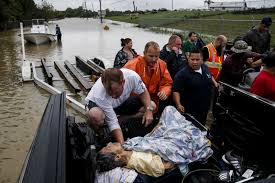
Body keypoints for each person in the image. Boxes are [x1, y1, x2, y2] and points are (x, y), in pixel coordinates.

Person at [96, 106, 213, 177]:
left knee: (168, 110)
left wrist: (157, 128)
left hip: (156, 139)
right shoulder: (140, 161)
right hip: (169, 145)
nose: (109, 144)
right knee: (185, 134)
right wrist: (175, 151)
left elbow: (147, 141)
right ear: (117, 157)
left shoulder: (126, 149)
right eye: (108, 148)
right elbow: (167, 165)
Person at [85, 68, 155, 144]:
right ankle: (99, 133)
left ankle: (122, 118)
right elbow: (113, 122)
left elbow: (143, 92)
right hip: (97, 106)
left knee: (152, 106)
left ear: (123, 82)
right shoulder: (100, 95)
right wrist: (122, 144)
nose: (113, 95)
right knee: (95, 116)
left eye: (115, 92)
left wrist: (149, 110)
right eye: (109, 92)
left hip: (120, 103)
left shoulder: (132, 77)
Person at [124, 41, 173, 113]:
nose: (154, 59)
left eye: (156, 56)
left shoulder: (162, 65)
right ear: (144, 53)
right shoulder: (132, 65)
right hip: (134, 99)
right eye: (151, 56)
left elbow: (167, 83)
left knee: (156, 106)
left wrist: (164, 91)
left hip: (153, 100)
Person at [173, 49, 213, 125]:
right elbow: (176, 90)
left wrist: (215, 83)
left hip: (204, 109)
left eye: (197, 59)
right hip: (189, 111)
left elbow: (210, 76)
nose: (195, 62)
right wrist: (178, 104)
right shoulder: (182, 74)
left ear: (201, 60)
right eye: (192, 59)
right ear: (188, 59)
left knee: (201, 129)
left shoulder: (205, 68)